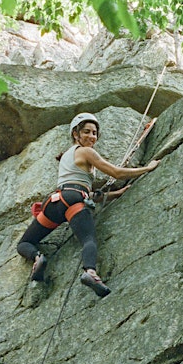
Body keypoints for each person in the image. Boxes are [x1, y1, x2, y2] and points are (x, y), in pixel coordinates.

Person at [17, 112, 159, 298]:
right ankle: (90, 272)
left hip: (54, 202)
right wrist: (148, 168)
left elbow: (82, 192)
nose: (92, 137)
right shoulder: (86, 152)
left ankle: (37, 257)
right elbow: (116, 173)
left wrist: (116, 194)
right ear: (75, 134)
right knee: (88, 239)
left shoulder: (67, 155)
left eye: (94, 133)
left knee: (24, 243)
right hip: (72, 201)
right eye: (87, 132)